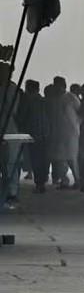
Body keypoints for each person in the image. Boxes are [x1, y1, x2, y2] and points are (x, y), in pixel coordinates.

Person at [19, 80, 50, 193]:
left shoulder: (28, 101)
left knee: (35, 160)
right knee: (43, 160)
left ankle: (39, 183)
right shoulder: (44, 101)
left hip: (33, 134)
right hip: (45, 134)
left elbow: (23, 117)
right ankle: (42, 182)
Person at [51, 76, 80, 189]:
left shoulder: (71, 97)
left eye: (58, 84)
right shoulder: (54, 99)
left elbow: (80, 111)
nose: (56, 87)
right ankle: (64, 181)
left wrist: (76, 125)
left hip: (71, 132)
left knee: (72, 157)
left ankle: (77, 180)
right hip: (58, 132)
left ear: (63, 85)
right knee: (61, 158)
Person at [0, 63, 22, 204]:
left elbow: (16, 111)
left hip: (10, 128)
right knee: (4, 162)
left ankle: (12, 191)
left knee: (11, 161)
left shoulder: (13, 89)